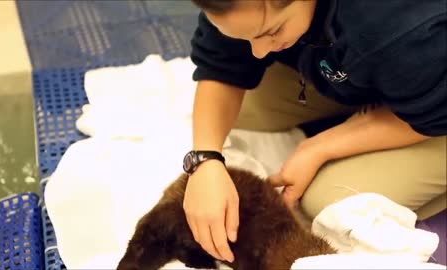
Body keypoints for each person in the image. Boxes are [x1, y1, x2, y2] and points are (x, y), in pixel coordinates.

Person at [180, 0, 447, 263]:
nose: (259, 52)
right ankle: (376, 92)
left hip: (437, 104)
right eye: (246, 36)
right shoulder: (240, 6)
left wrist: (320, 147)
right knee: (241, 114)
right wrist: (205, 160)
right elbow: (220, 66)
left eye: (272, 31)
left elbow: (438, 112)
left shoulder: (388, 22)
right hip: (371, 61)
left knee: (328, 203)